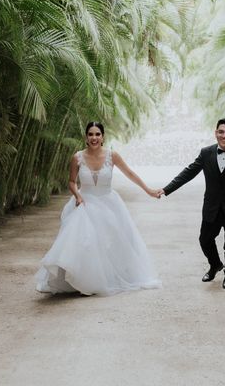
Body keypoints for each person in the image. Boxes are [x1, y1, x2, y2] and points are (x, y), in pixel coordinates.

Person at [36, 121, 162, 296]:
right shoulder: (77, 157)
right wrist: (78, 196)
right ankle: (80, 280)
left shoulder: (112, 155)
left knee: (109, 243)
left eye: (97, 134)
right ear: (86, 137)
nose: (94, 137)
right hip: (84, 202)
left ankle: (105, 279)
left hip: (108, 203)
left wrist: (148, 191)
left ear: (103, 137)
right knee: (84, 242)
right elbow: (72, 182)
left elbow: (130, 174)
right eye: (90, 134)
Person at [157, 118, 225, 289]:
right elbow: (188, 173)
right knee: (205, 240)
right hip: (211, 208)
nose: (224, 135)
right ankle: (215, 265)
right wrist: (166, 189)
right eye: (221, 131)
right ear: (215, 132)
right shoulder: (206, 153)